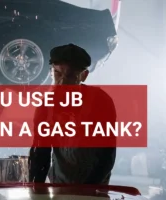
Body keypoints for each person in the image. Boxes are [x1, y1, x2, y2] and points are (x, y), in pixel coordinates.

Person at [28, 44, 117, 184]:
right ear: (51, 71)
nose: (62, 83)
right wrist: (35, 188)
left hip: (94, 188)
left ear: (84, 75)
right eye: (57, 73)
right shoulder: (45, 106)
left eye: (70, 76)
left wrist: (88, 190)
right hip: (58, 185)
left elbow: (107, 155)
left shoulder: (101, 102)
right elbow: (40, 153)